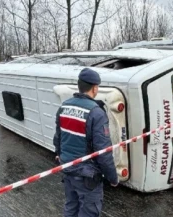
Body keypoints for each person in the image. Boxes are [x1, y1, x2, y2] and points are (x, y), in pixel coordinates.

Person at [53, 68, 118, 217]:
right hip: (87, 176)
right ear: (95, 88)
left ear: (79, 86)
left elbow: (58, 136)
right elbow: (103, 152)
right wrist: (113, 178)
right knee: (89, 211)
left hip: (68, 169)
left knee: (71, 207)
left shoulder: (64, 106)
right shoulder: (96, 113)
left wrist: (59, 154)